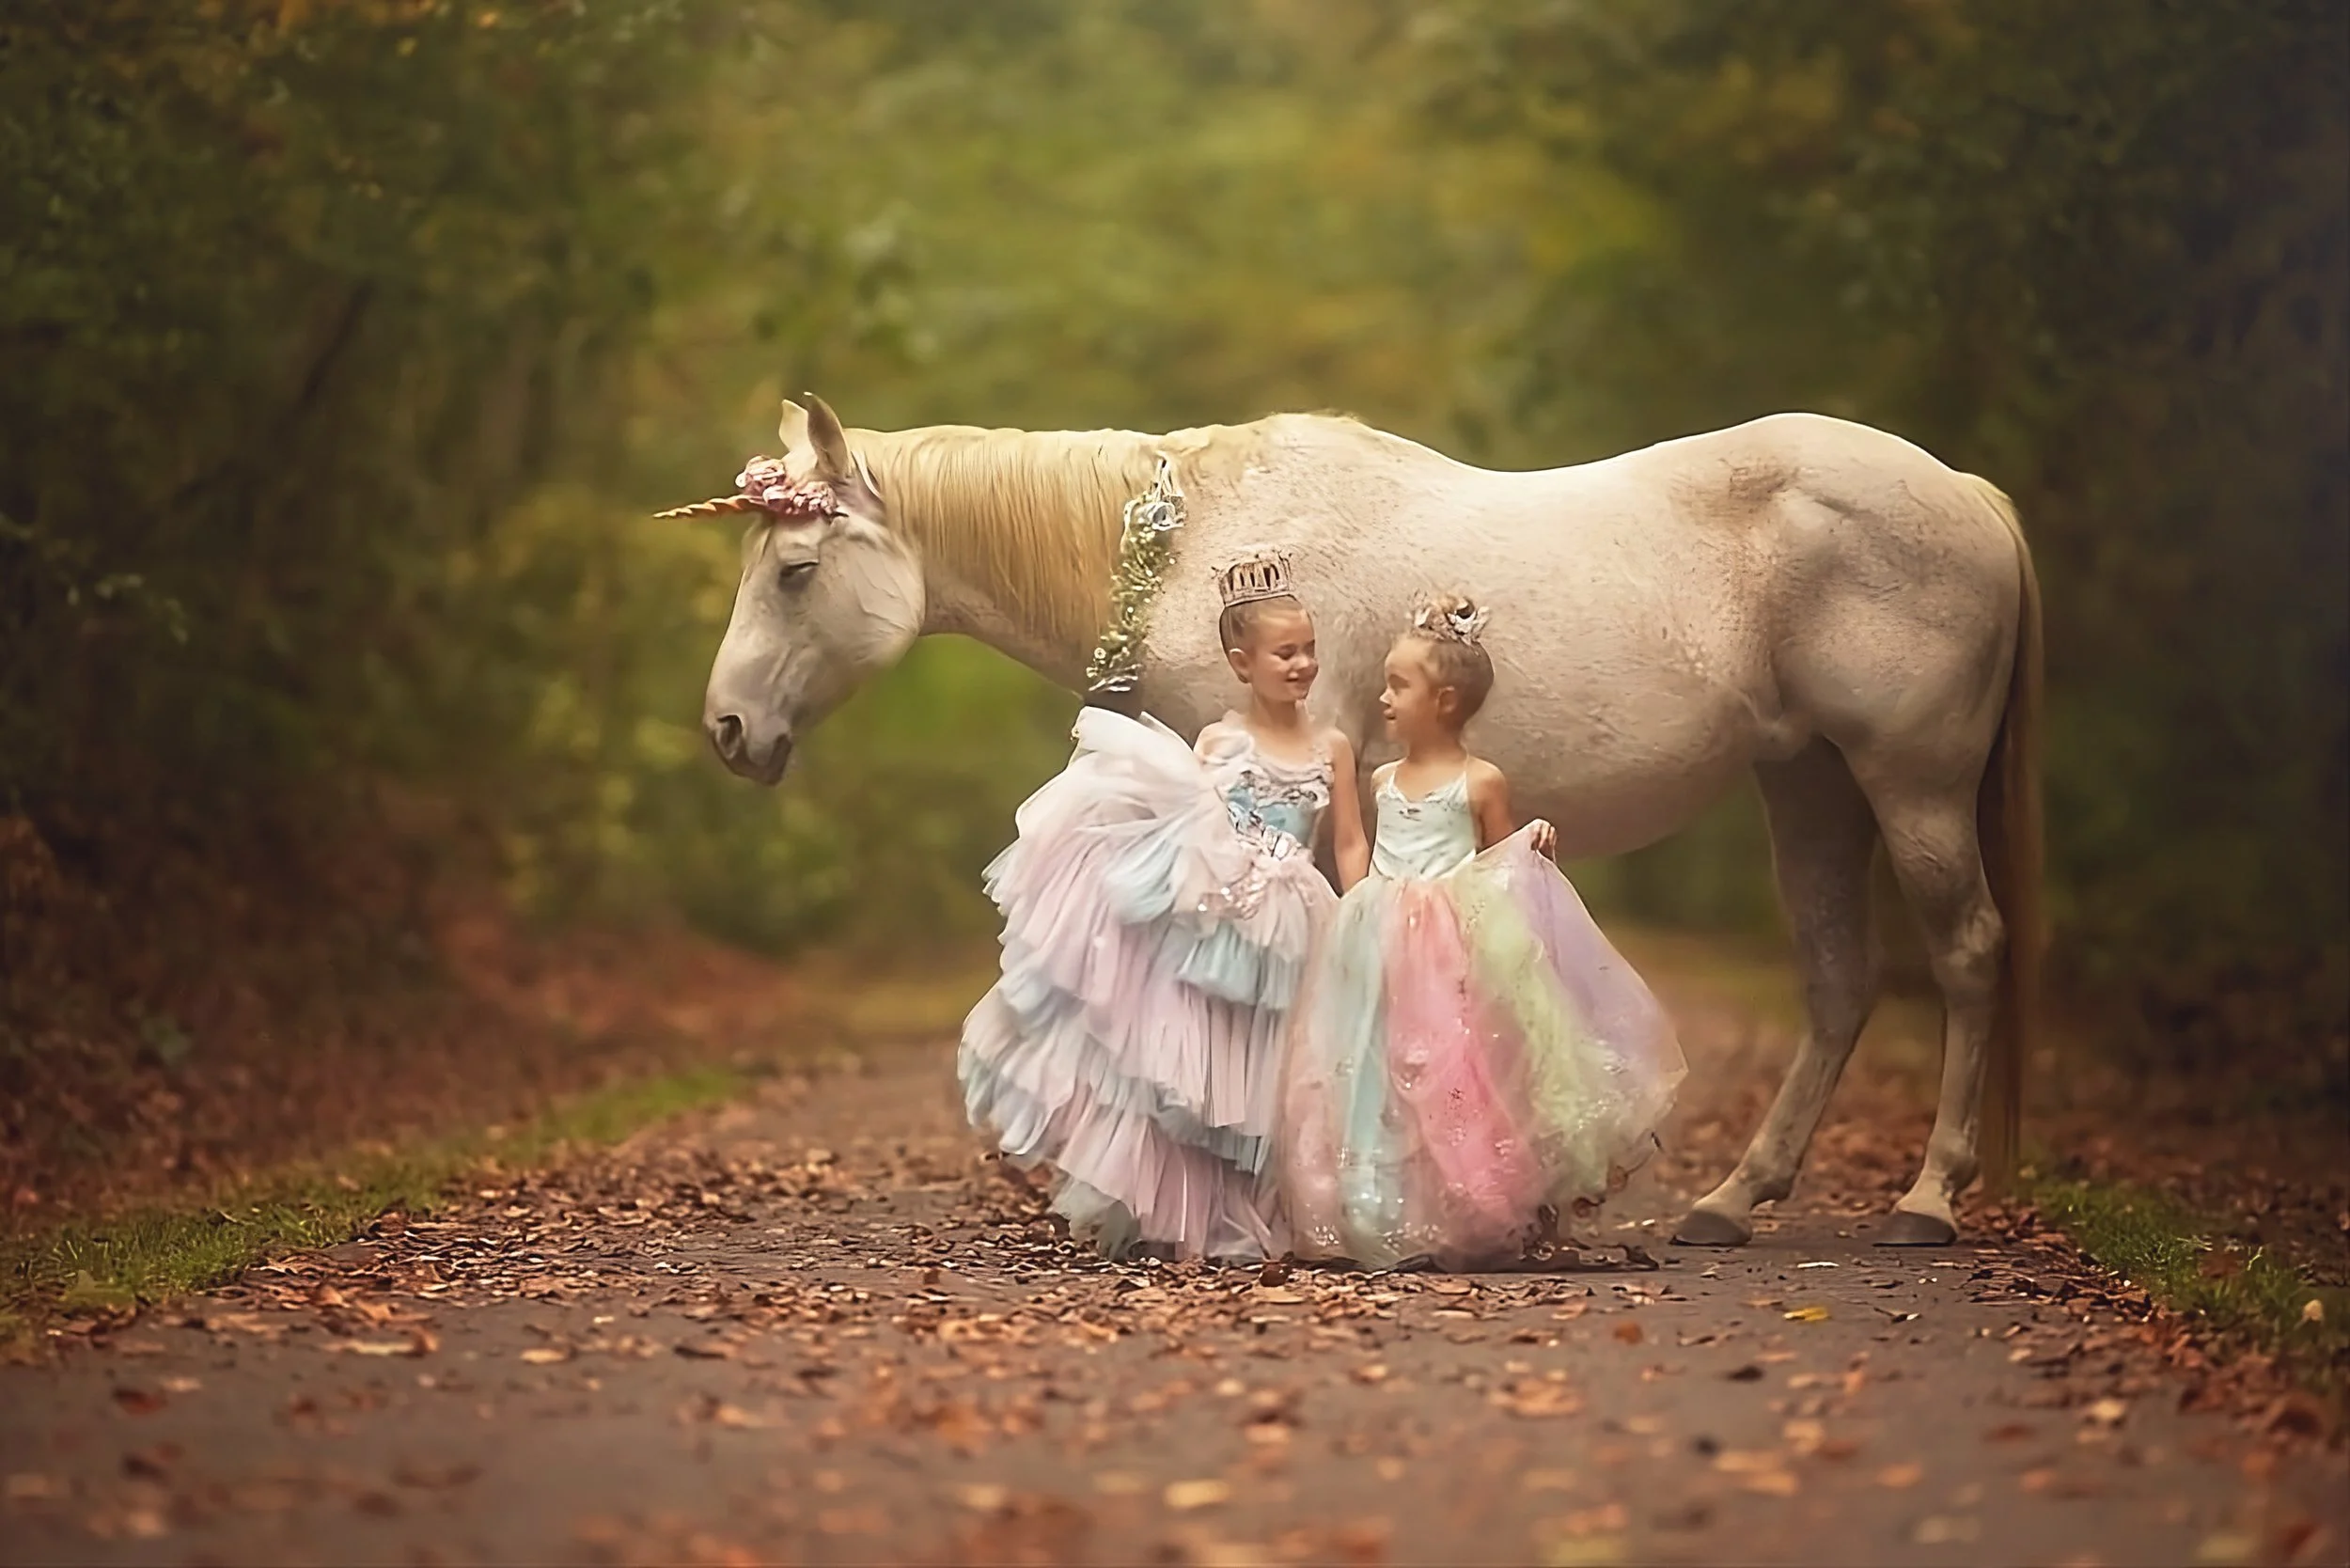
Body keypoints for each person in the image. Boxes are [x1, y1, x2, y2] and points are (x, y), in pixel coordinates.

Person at [960, 548, 1363, 1261]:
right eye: (1284, 653)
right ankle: (1197, 1207)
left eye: (1308, 652)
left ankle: (1275, 1202)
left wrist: (1365, 908)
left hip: (1300, 912)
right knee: (1208, 1061)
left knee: (1280, 1063)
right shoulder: (1221, 741)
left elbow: (1350, 842)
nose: (1301, 666)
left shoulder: (1333, 746)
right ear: (1242, 664)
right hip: (1222, 914)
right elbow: (1189, 824)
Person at [1280, 594, 1686, 1270]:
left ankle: (1476, 1198)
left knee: (1456, 1064)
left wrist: (1533, 844)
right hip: (1380, 931)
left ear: (1442, 702)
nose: (1383, 698)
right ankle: (1381, 1204)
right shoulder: (1382, 779)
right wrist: (1365, 910)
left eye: (1397, 685)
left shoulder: (1481, 781)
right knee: (1375, 1064)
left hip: (1452, 941)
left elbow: (1503, 868)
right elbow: (1374, 855)